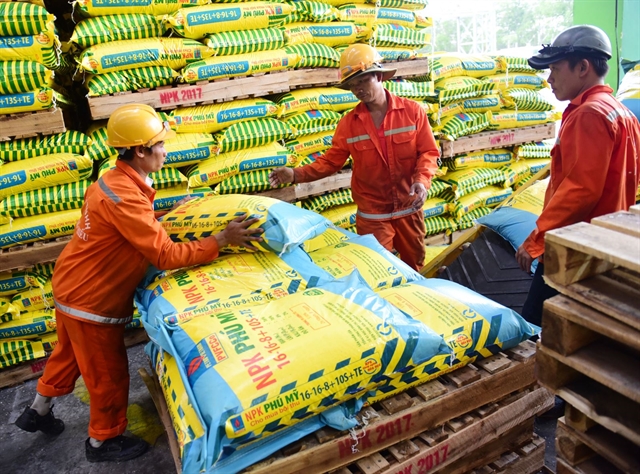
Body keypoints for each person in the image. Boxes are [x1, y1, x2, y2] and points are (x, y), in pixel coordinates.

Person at [15, 104, 263, 463]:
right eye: (159, 144)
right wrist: (221, 240)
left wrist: (172, 214)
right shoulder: (127, 196)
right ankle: (102, 442)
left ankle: (37, 411)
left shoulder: (113, 181)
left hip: (70, 284)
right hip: (91, 297)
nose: (165, 150)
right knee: (108, 374)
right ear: (139, 150)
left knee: (68, 354)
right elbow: (164, 255)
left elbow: (133, 224)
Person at [269, 44, 440, 271]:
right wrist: (294, 174)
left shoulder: (412, 112)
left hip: (409, 208)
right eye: (352, 85)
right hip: (373, 215)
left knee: (414, 266)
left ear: (379, 76)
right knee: (377, 269)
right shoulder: (349, 124)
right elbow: (330, 162)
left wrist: (422, 181)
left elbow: (428, 152)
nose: (358, 89)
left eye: (363, 81)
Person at [516, 25, 640, 326]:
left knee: (536, 327)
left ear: (583, 67)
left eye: (555, 69)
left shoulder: (589, 114)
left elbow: (580, 190)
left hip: (574, 247)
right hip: (606, 244)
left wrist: (537, 239)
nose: (550, 79)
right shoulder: (621, 112)